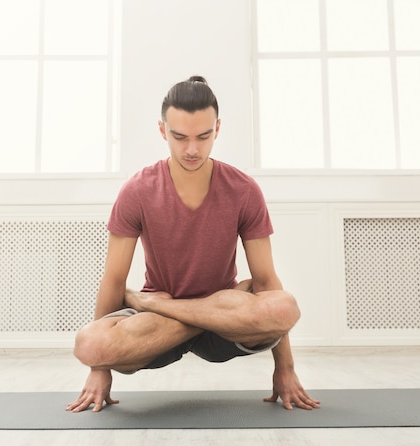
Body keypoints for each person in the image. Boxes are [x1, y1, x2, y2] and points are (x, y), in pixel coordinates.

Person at [67, 75, 320, 413]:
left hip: (221, 323)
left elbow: (266, 281)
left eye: (203, 136)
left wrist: (285, 369)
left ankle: (167, 306)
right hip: (158, 330)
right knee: (91, 343)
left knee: (284, 307)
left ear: (217, 129)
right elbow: (113, 281)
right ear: (162, 130)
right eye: (180, 137)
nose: (192, 149)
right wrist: (100, 370)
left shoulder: (243, 190)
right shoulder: (137, 191)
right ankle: (175, 311)